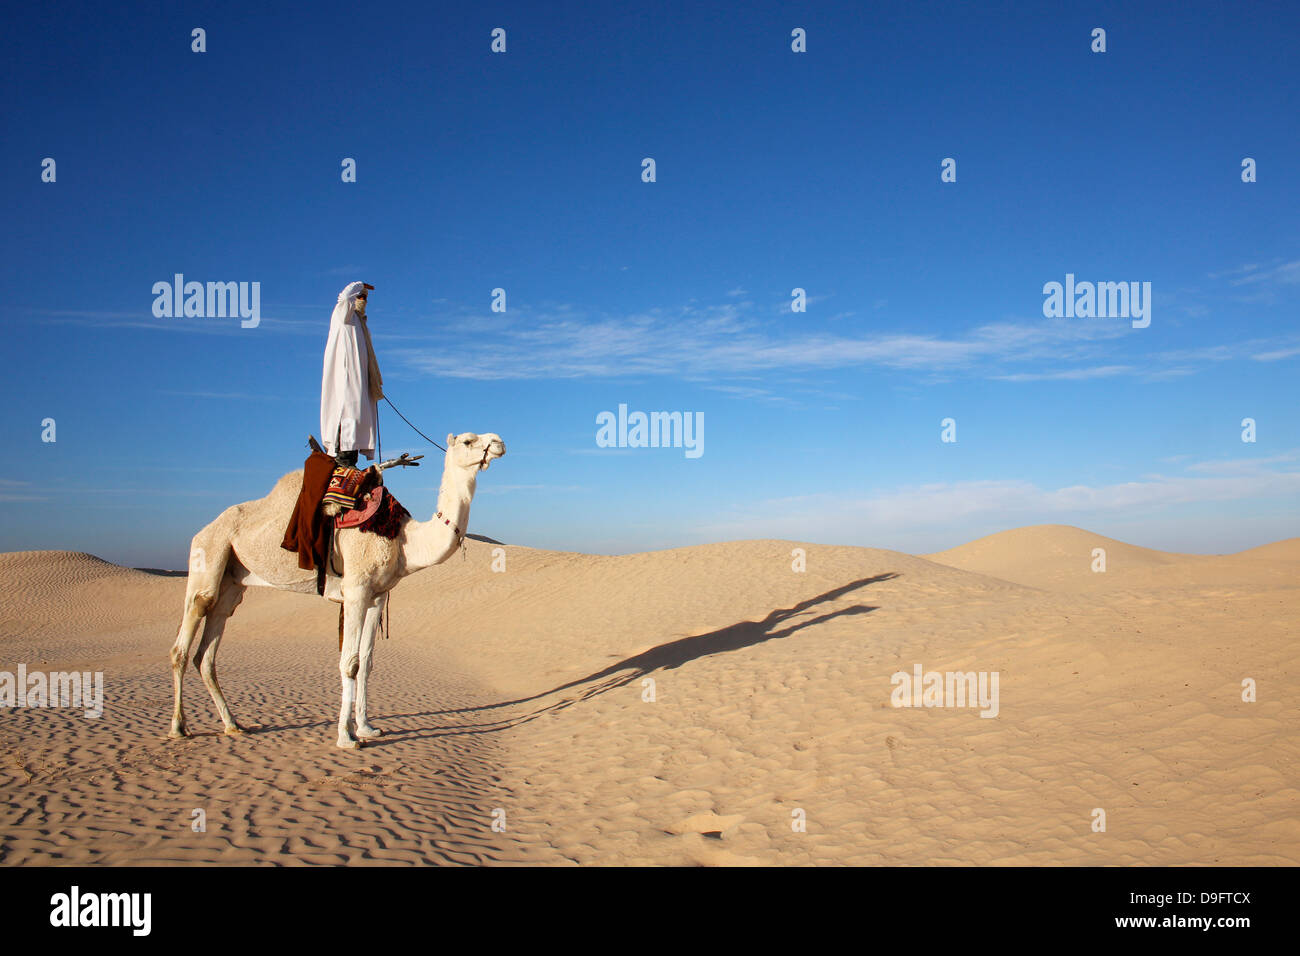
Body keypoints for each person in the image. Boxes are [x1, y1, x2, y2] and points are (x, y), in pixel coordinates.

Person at [320, 281, 383, 469]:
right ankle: (343, 457)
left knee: (358, 419)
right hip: (346, 382)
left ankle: (351, 458)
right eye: (360, 296)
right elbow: (345, 297)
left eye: (365, 298)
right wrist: (359, 285)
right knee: (347, 415)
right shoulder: (343, 316)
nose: (363, 300)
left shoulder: (360, 323)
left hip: (361, 383)